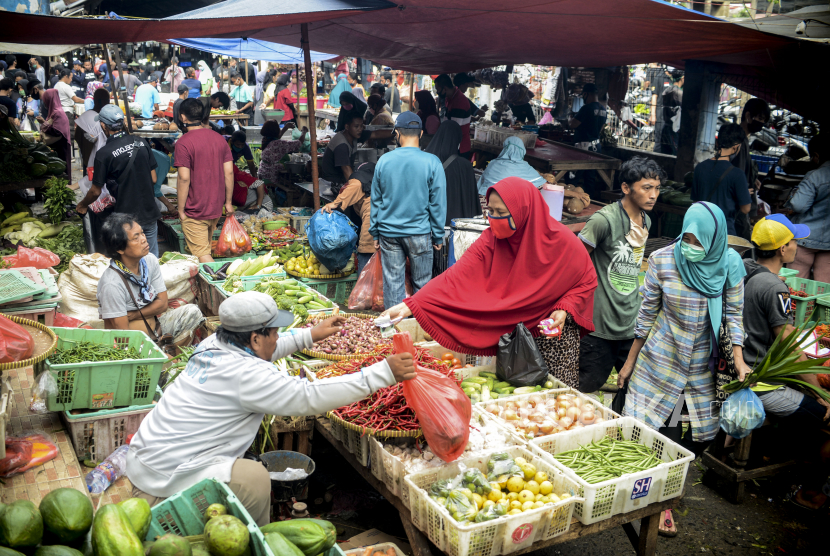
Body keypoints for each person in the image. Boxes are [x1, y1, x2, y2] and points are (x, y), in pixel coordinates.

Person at [127, 290, 415, 524]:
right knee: (253, 478)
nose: (278, 337)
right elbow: (308, 397)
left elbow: (263, 350)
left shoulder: (215, 342)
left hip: (147, 457)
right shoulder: (247, 375)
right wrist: (382, 374)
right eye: (275, 332)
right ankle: (257, 537)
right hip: (165, 477)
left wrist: (309, 335)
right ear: (254, 337)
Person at [383, 177, 597, 388]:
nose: (493, 219)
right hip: (512, 341)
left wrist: (564, 309)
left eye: (501, 213)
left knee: (554, 404)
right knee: (512, 400)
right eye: (491, 212)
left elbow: (586, 280)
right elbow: (455, 277)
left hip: (550, 337)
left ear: (524, 211)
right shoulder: (491, 239)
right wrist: (411, 305)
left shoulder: (563, 242)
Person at [619, 201, 751, 447]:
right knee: (647, 435)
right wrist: (629, 363)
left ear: (715, 239)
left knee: (702, 436)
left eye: (699, 241)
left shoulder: (730, 263)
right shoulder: (662, 260)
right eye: (686, 238)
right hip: (661, 360)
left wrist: (739, 360)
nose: (690, 247)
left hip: (705, 366)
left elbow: (734, 314)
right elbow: (646, 315)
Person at [742, 214, 830, 510]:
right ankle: (811, 491)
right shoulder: (774, 287)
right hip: (758, 382)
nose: (796, 245)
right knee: (824, 417)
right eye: (793, 241)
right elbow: (790, 344)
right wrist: (819, 392)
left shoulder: (745, 271)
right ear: (782, 249)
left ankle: (766, 453)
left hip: (740, 369)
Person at [577, 157, 662, 397]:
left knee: (632, 388)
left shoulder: (647, 220)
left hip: (630, 323)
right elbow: (574, 263)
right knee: (586, 387)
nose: (654, 195)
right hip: (598, 326)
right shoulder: (603, 221)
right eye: (647, 188)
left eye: (657, 188)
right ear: (626, 188)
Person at [370, 112, 446, 309]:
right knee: (422, 285)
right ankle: (421, 330)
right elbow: (437, 202)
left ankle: (394, 332)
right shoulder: (432, 162)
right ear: (420, 134)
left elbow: (376, 200)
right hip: (419, 233)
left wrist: (375, 232)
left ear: (397, 133)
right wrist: (438, 235)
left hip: (388, 233)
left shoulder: (384, 161)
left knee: (393, 285)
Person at [75, 104, 161, 256]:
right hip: (149, 212)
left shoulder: (104, 154)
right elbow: (153, 178)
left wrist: (82, 205)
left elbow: (95, 191)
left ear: (103, 125)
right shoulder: (141, 142)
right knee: (151, 258)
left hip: (126, 217)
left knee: (130, 259)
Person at [174, 98, 234, 263]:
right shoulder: (219, 139)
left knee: (203, 256)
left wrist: (180, 209)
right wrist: (228, 202)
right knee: (205, 249)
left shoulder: (183, 142)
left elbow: (184, 178)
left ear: (182, 117)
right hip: (215, 207)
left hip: (195, 209)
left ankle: (221, 285)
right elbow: (229, 172)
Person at [97, 213, 169, 333]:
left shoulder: (149, 260)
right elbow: (123, 335)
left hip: (157, 330)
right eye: (136, 238)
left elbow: (163, 303)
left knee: (190, 313)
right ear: (119, 249)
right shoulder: (112, 284)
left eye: (142, 233)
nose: (144, 239)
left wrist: (132, 315)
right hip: (134, 347)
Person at [690, 123, 751, 237]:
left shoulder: (700, 168)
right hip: (724, 232)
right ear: (736, 147)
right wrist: (743, 194)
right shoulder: (737, 174)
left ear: (717, 143)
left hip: (701, 230)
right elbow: (745, 209)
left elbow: (695, 201)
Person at [785, 134, 830, 282]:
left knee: (796, 283)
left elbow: (798, 205)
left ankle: (797, 306)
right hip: (828, 243)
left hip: (805, 239)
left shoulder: (815, 176)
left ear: (816, 156)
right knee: (824, 286)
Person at [323, 162, 376, 275]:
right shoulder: (378, 181)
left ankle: (363, 289)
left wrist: (335, 203)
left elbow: (355, 185)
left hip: (372, 221)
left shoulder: (359, 179)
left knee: (366, 250)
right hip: (391, 224)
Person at [425, 120, 482, 226]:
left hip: (428, 224)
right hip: (456, 227)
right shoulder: (465, 166)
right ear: (458, 140)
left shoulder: (425, 161)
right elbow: (472, 203)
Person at [569, 83, 607, 198]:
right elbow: (600, 129)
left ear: (586, 94)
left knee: (573, 176)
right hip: (596, 147)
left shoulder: (586, 108)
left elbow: (573, 124)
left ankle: (569, 199)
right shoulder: (603, 109)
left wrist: (570, 117)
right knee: (590, 177)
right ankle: (589, 202)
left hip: (583, 148)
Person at [477, 136, 546, 195]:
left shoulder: (493, 164)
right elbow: (540, 181)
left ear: (505, 148)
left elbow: (482, 182)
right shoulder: (525, 167)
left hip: (493, 196)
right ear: (522, 150)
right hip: (514, 200)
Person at [320, 113, 364, 191]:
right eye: (356, 126)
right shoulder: (341, 145)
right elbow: (347, 170)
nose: (360, 129)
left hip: (340, 180)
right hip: (331, 184)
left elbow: (375, 134)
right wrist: (359, 189)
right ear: (347, 127)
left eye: (361, 126)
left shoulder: (353, 136)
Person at [434, 74, 472, 158]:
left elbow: (454, 129)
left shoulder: (459, 101)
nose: (437, 92)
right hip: (452, 145)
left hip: (459, 148)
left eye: (438, 89)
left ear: (445, 88)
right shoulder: (449, 98)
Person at [38, 89, 72, 176]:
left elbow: (57, 132)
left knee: (61, 174)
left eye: (46, 100)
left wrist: (43, 123)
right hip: (57, 147)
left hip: (61, 149)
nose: (44, 102)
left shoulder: (58, 113)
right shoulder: (53, 112)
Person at [74, 87, 109, 169]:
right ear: (106, 101)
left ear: (94, 100)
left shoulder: (85, 116)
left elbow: (77, 137)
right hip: (103, 162)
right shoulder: (109, 118)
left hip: (87, 160)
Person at [658, 70, 683, 155]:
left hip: (666, 125)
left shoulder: (668, 89)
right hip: (674, 128)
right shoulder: (678, 93)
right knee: (674, 153)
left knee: (665, 152)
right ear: (682, 78)